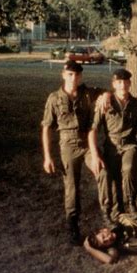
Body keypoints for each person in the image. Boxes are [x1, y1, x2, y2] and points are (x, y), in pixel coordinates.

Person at [41, 60, 107, 246]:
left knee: (103, 172)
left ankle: (108, 215)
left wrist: (105, 98)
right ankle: (73, 225)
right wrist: (48, 156)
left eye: (77, 75)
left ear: (81, 77)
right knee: (71, 187)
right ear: (63, 75)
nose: (73, 78)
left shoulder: (87, 93)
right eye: (70, 74)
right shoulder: (54, 98)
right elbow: (46, 128)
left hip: (87, 144)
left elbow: (107, 92)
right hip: (68, 146)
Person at [88, 69, 137, 224]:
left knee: (128, 169)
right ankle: (106, 211)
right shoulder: (105, 102)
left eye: (126, 82)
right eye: (119, 82)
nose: (123, 86)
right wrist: (95, 155)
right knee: (108, 177)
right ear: (113, 84)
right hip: (111, 146)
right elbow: (93, 130)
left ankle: (131, 203)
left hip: (129, 145)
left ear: (130, 83)